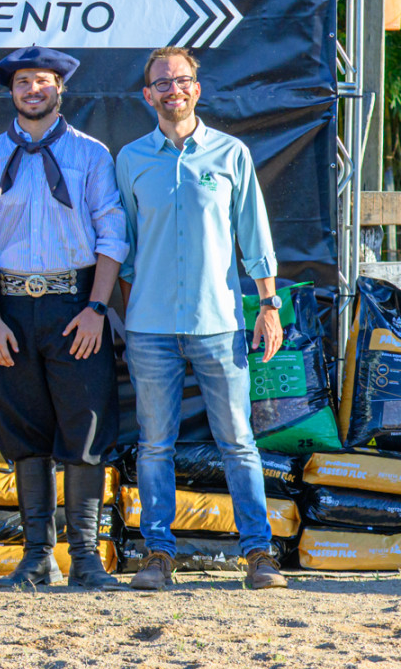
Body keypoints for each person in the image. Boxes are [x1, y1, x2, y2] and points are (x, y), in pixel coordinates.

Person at [115, 46, 288, 591]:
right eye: (161, 83)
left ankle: (259, 555)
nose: (173, 90)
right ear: (148, 95)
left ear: (197, 88)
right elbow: (124, 250)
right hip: (150, 328)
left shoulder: (231, 155)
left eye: (181, 80)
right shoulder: (130, 159)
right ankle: (158, 557)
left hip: (219, 323)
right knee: (155, 444)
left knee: (238, 440)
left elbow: (254, 234)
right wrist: (131, 306)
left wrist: (268, 304)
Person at [0, 46, 127, 590]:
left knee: (85, 429)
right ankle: (38, 557)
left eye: (44, 81)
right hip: (9, 308)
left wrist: (96, 310)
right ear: (10, 92)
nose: (33, 89)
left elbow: (111, 237)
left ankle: (84, 556)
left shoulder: (92, 155)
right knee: (23, 429)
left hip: (75, 305)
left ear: (61, 89)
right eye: (23, 82)